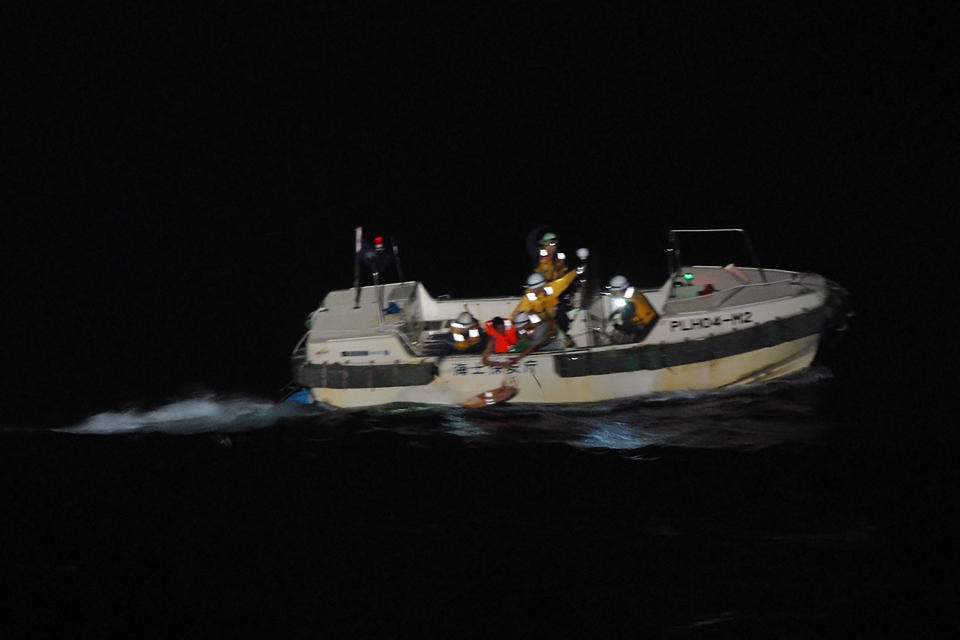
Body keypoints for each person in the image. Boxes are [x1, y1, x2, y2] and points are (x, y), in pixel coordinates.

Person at [513, 268, 581, 347]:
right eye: (532, 289)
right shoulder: (528, 299)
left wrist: (575, 272)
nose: (534, 290)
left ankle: (564, 339)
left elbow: (564, 281)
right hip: (541, 320)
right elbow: (518, 314)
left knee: (561, 312)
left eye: (536, 288)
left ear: (542, 285)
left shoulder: (551, 289)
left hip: (554, 317)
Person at [606, 275, 659, 343]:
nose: (613, 295)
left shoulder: (630, 303)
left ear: (621, 290)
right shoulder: (633, 294)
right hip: (653, 321)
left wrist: (615, 326)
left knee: (630, 341)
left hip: (648, 328)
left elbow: (626, 327)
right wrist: (615, 312)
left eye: (614, 292)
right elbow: (629, 308)